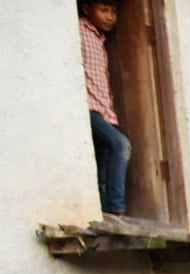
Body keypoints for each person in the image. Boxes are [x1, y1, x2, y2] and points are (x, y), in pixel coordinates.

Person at [78, 3, 130, 215]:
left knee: (105, 158)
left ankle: (103, 209)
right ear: (86, 9)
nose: (110, 17)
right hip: (88, 108)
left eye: (114, 12)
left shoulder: (100, 40)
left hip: (103, 109)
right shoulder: (79, 32)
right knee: (121, 144)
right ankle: (116, 208)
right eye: (104, 10)